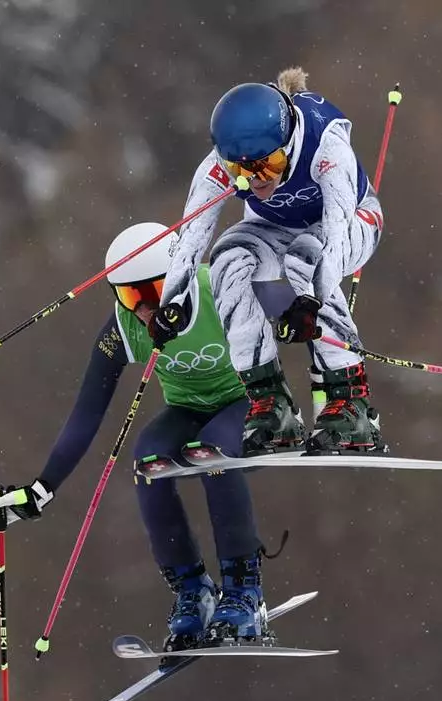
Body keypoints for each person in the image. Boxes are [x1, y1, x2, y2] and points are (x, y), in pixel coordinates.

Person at [0, 223, 275, 650]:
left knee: (211, 456)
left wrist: (334, 381)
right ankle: (194, 592)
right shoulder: (124, 328)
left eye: (152, 291)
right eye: (128, 296)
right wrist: (41, 488)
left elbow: (304, 310)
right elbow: (86, 414)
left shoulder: (219, 288)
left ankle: (243, 591)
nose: (142, 308)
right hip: (187, 410)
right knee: (148, 460)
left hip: (244, 401)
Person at [153, 67, 387, 455]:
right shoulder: (224, 162)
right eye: (240, 171)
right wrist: (172, 303)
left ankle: (351, 403)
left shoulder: (326, 147)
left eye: (268, 165)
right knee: (227, 257)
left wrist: (311, 301)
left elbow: (335, 234)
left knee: (305, 258)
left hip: (354, 224)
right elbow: (193, 232)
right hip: (276, 228)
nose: (255, 180)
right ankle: (270, 403)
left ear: (289, 141)